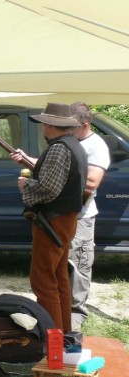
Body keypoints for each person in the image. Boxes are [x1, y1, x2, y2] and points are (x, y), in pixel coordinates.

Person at [10, 102, 87, 333]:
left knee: (43, 281)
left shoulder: (58, 148)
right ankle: (62, 333)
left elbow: (48, 189)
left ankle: (51, 336)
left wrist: (25, 185)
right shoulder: (73, 145)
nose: (43, 126)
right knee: (59, 278)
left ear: (50, 125)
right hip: (64, 219)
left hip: (53, 221)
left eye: (45, 122)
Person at [68, 102, 110, 332]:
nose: (68, 130)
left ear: (85, 125)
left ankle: (76, 315)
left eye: (72, 127)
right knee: (63, 265)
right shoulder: (73, 141)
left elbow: (91, 182)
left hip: (81, 217)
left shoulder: (96, 146)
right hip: (65, 215)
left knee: (78, 267)